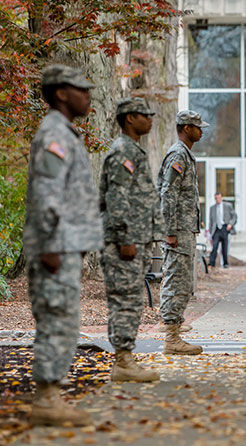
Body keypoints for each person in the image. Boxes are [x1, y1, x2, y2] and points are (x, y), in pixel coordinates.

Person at [24, 64, 103, 426]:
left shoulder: (66, 134)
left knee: (65, 321)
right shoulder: (54, 133)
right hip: (55, 245)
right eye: (80, 89)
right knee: (56, 320)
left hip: (67, 244)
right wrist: (51, 244)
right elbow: (46, 192)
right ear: (60, 93)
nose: (88, 95)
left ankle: (52, 393)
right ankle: (46, 399)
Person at [100, 97, 163, 383]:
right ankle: (123, 361)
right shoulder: (122, 151)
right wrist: (125, 236)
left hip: (137, 240)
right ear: (129, 119)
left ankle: (125, 359)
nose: (150, 119)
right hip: (124, 241)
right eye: (144, 114)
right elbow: (116, 197)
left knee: (133, 300)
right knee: (125, 300)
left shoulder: (134, 150)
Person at [157, 110, 207, 355]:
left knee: (184, 281)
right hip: (177, 230)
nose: (201, 130)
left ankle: (174, 327)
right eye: (198, 127)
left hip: (185, 228)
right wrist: (169, 231)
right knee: (177, 279)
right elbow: (168, 193)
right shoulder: (178, 154)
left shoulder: (185, 154)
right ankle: (171, 338)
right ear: (186, 128)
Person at [208, 192, 237, 269]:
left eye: (219, 198)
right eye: (216, 198)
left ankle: (225, 263)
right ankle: (211, 263)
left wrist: (230, 224)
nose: (218, 200)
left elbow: (234, 216)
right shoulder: (212, 208)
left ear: (221, 198)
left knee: (225, 247)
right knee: (215, 246)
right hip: (216, 229)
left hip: (225, 227)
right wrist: (210, 232)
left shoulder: (228, 206)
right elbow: (211, 221)